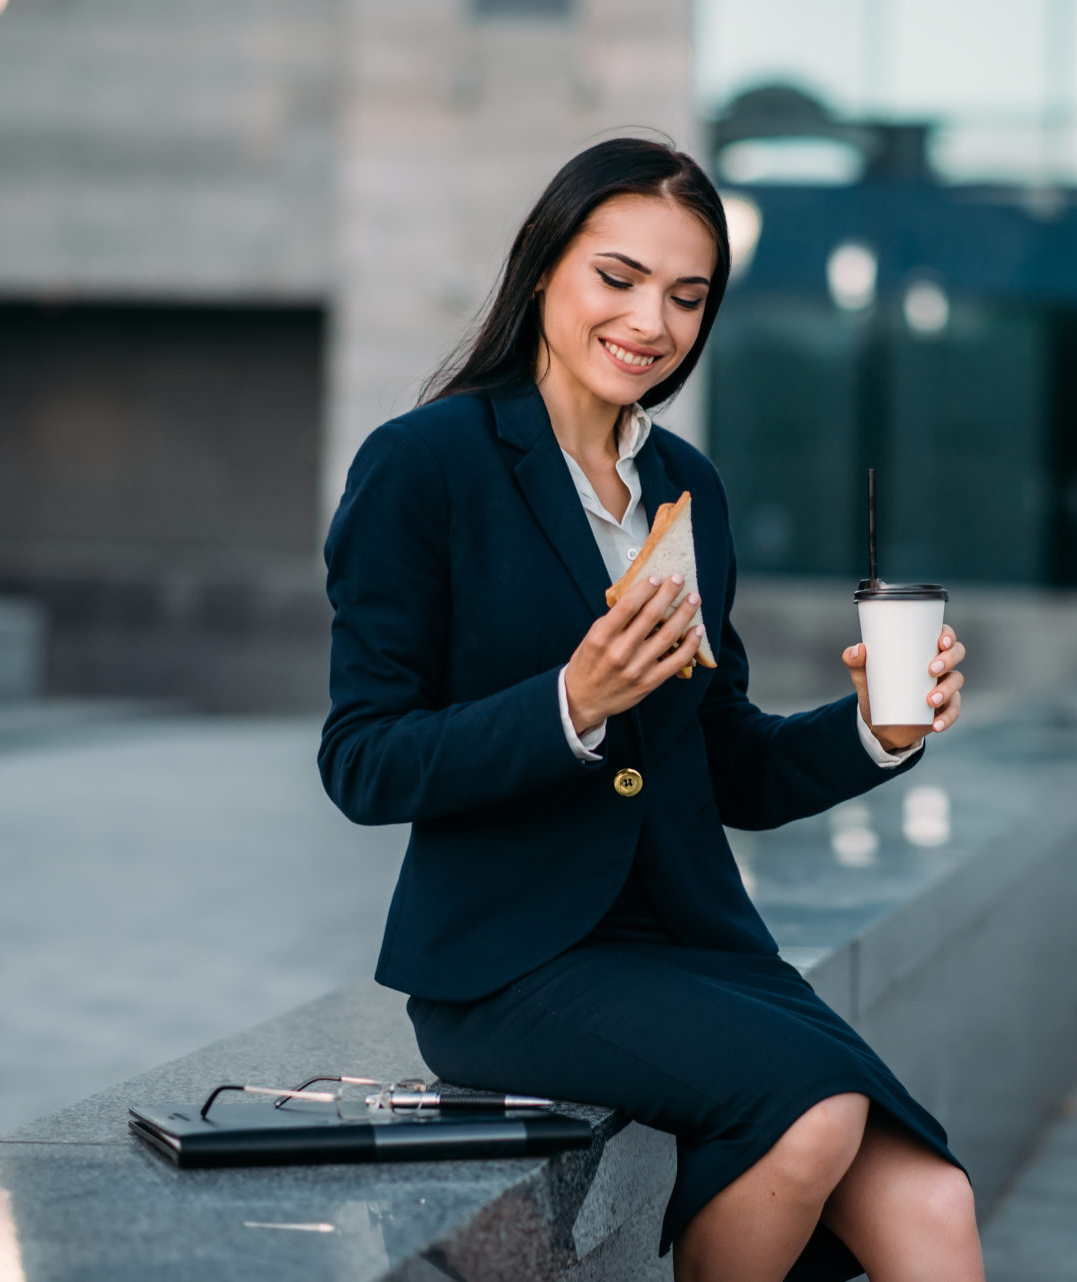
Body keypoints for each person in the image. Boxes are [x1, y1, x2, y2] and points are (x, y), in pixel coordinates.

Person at [319, 136, 981, 1282]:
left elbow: (728, 762)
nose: (652, 322)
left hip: (694, 941)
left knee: (935, 1196)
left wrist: (879, 724)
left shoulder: (689, 489)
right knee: (814, 1117)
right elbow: (363, 760)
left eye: (688, 296)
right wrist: (571, 704)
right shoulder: (423, 466)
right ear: (544, 272)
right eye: (616, 278)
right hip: (512, 963)